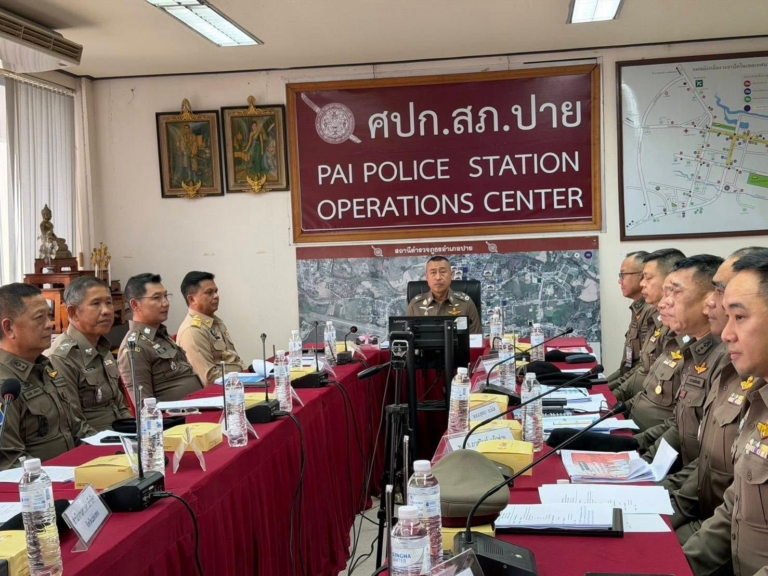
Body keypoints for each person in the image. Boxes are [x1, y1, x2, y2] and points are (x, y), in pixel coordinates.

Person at [670, 247, 767, 545]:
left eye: (739, 316)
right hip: (709, 524)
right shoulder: (758, 396)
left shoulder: (750, 382)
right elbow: (733, 501)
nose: (727, 333)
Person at [633, 255, 728, 481]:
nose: (663, 303)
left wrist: (663, 490)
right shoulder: (692, 349)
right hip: (681, 479)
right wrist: (644, 463)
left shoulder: (727, 359)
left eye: (675, 292)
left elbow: (715, 463)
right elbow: (679, 425)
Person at [0, 283, 93, 470]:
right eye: (39, 318)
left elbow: (78, 429)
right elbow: (10, 461)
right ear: (9, 328)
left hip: (76, 471)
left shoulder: (46, 368)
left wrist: (109, 452)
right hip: (40, 482)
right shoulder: (5, 385)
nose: (50, 324)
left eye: (49, 316)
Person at [48, 277, 133, 431]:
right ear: (73, 312)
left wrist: (135, 431)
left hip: (120, 434)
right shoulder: (61, 358)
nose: (106, 311)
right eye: (96, 304)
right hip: (94, 439)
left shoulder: (102, 347)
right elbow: (74, 425)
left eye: (109, 303)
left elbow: (120, 406)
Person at [613, 249, 686, 403]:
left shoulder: (658, 316)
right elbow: (642, 370)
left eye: (647, 278)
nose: (642, 284)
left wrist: (614, 396)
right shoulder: (647, 313)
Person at [118, 273, 203, 405]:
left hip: (198, 406)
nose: (165, 303)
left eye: (165, 296)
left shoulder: (161, 335)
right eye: (156, 298)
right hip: (177, 416)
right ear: (135, 304)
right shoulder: (134, 347)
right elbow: (145, 407)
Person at [176, 271, 247, 385]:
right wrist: (244, 382)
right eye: (209, 292)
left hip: (237, 383)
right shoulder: (193, 330)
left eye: (216, 291)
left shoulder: (215, 322)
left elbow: (235, 361)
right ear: (192, 299)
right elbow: (209, 379)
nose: (216, 296)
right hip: (223, 390)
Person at [606, 251, 651, 385]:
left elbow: (643, 367)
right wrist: (602, 385)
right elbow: (626, 367)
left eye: (623, 275)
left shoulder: (652, 311)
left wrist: (613, 389)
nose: (619, 281)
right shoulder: (637, 308)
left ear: (642, 276)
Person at [406, 256, 482, 334]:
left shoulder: (466, 304)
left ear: (451, 275)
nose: (438, 277)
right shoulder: (415, 306)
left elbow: (476, 338)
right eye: (433, 272)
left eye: (442, 272)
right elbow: (407, 338)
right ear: (427, 277)